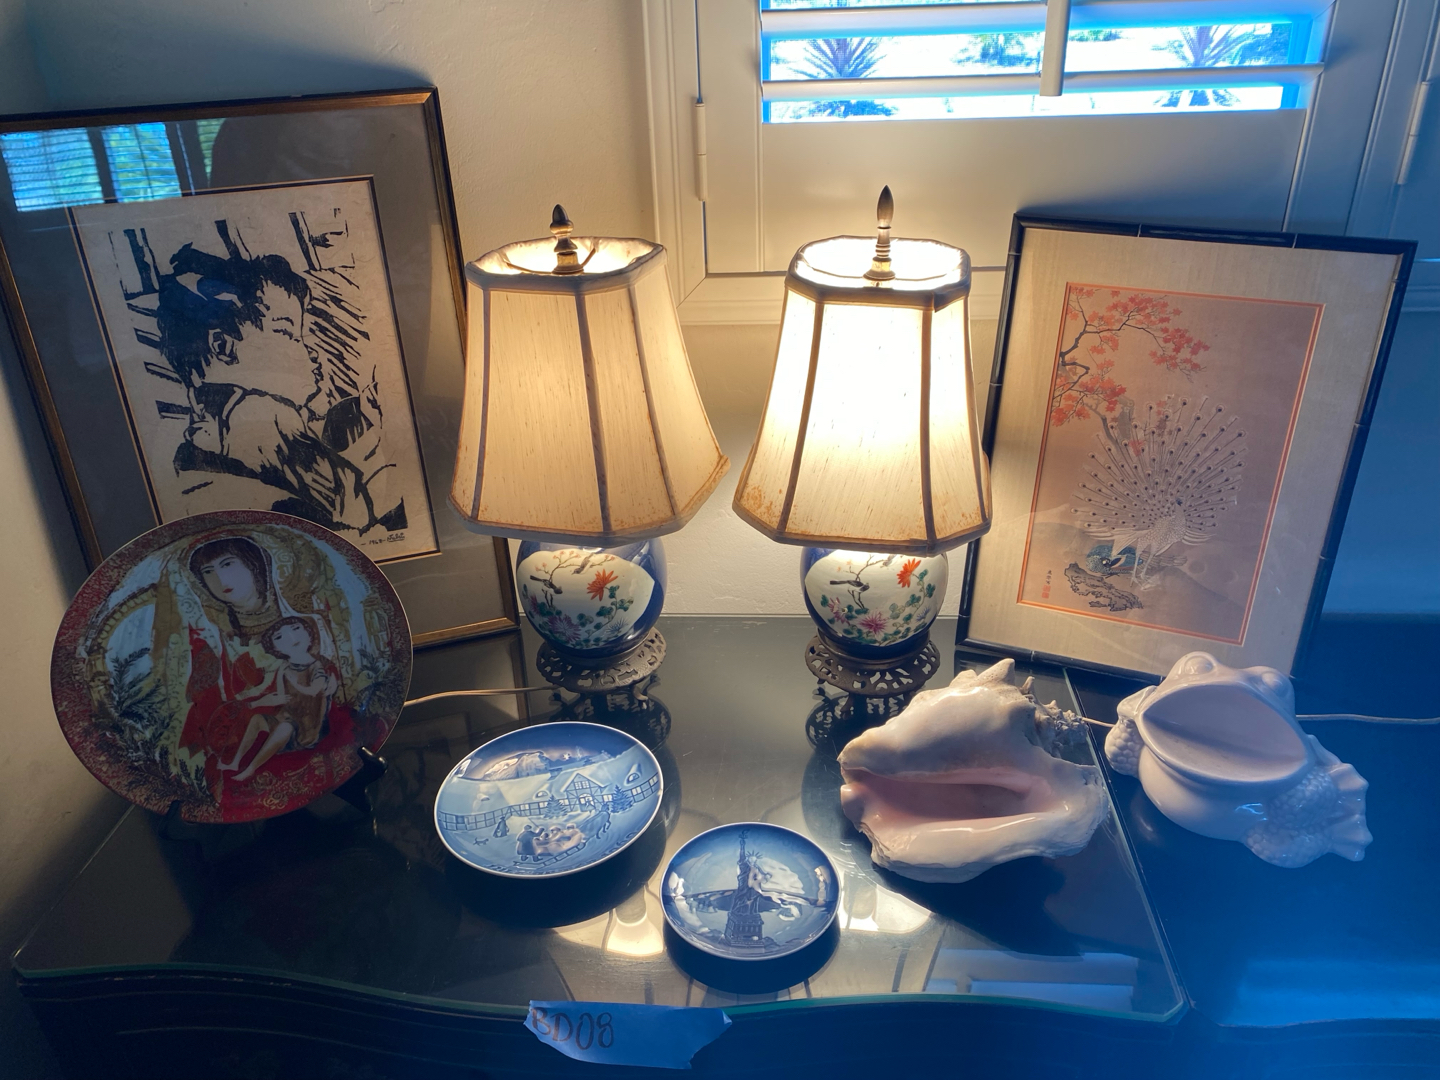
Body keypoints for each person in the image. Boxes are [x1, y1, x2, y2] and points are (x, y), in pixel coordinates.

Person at [153, 228, 407, 536]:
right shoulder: (266, 417)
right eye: (287, 333)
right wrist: (373, 447)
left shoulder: (202, 446)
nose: (311, 351)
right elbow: (355, 517)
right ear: (223, 346)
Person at [222, 616, 340, 783]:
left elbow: (314, 691)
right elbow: (280, 695)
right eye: (279, 637)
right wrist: (265, 701)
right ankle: (234, 763)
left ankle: (250, 769)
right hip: (287, 717)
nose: (291, 638)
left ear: (309, 635)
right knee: (257, 719)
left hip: (308, 726)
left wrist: (295, 683)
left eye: (296, 629)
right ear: (275, 649)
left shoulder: (316, 666)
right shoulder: (284, 668)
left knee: (285, 727)